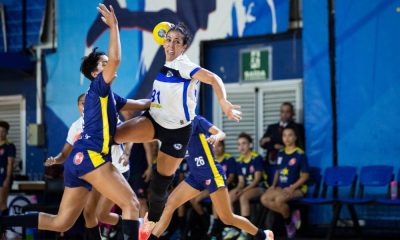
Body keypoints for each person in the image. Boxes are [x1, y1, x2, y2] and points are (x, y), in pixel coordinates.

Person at [0, 4, 149, 240]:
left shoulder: (107, 96)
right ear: (94, 73)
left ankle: (3, 222)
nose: (108, 64)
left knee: (62, 222)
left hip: (76, 161)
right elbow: (117, 60)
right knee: (131, 204)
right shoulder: (100, 87)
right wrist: (115, 27)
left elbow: (139, 104)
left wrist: (158, 102)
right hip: (92, 157)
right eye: (103, 63)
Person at [113, 22, 242, 235]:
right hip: (154, 120)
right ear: (163, 42)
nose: (172, 45)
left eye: (177, 42)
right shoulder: (166, 66)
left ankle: (151, 224)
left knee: (159, 186)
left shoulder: (183, 65)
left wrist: (224, 102)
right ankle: (103, 171)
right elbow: (163, 99)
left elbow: (213, 78)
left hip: (178, 131)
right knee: (115, 135)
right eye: (169, 40)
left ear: (184, 47)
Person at [144, 115, 273, 240]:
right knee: (170, 204)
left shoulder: (196, 120)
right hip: (195, 176)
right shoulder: (174, 128)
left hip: (211, 174)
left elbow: (221, 133)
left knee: (227, 218)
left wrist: (215, 137)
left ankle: (264, 235)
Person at [44, 93, 133, 239]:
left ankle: (135, 223)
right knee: (89, 213)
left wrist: (126, 154)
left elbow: (130, 135)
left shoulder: (106, 117)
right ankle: (133, 223)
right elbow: (65, 154)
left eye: (87, 102)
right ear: (78, 107)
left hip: (117, 170)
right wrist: (55, 160)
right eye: (81, 103)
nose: (85, 106)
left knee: (102, 214)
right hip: (97, 171)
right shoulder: (75, 126)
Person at [260, 127, 309, 239]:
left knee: (279, 200)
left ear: (295, 137)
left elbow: (305, 176)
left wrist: (292, 188)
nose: (287, 138)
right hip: (281, 188)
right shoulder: (281, 153)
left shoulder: (300, 154)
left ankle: (288, 225)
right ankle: (290, 217)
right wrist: (273, 186)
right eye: (284, 135)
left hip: (298, 189)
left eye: (290, 135)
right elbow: (278, 171)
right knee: (264, 199)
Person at [189, 140, 237, 238]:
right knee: (194, 200)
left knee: (216, 197)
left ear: (223, 146)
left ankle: (215, 227)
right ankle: (208, 223)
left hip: (225, 186)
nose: (216, 148)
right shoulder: (210, 158)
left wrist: (219, 185)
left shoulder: (229, 158)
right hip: (211, 185)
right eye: (214, 146)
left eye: (219, 146)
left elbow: (231, 177)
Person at [225, 132, 267, 240]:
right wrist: (239, 189)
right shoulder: (239, 161)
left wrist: (243, 191)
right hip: (246, 187)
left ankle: (245, 231)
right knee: (229, 196)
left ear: (250, 145)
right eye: (239, 144)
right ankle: (233, 228)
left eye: (244, 143)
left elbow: (257, 180)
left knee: (243, 197)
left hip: (260, 187)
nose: (241, 147)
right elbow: (241, 182)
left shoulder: (256, 158)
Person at [259, 102, 304, 166]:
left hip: (289, 162)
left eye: (287, 112)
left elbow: (299, 144)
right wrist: (274, 146)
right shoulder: (272, 127)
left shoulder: (297, 127)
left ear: (292, 113)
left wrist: (271, 138)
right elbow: (263, 143)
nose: (284, 114)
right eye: (282, 112)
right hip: (271, 163)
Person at [0, 121, 16, 217]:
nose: (1, 134)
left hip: (3, 176)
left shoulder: (9, 146)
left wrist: (7, 178)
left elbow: (10, 164)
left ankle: (3, 229)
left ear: (6, 133)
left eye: (3, 131)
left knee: (2, 203)